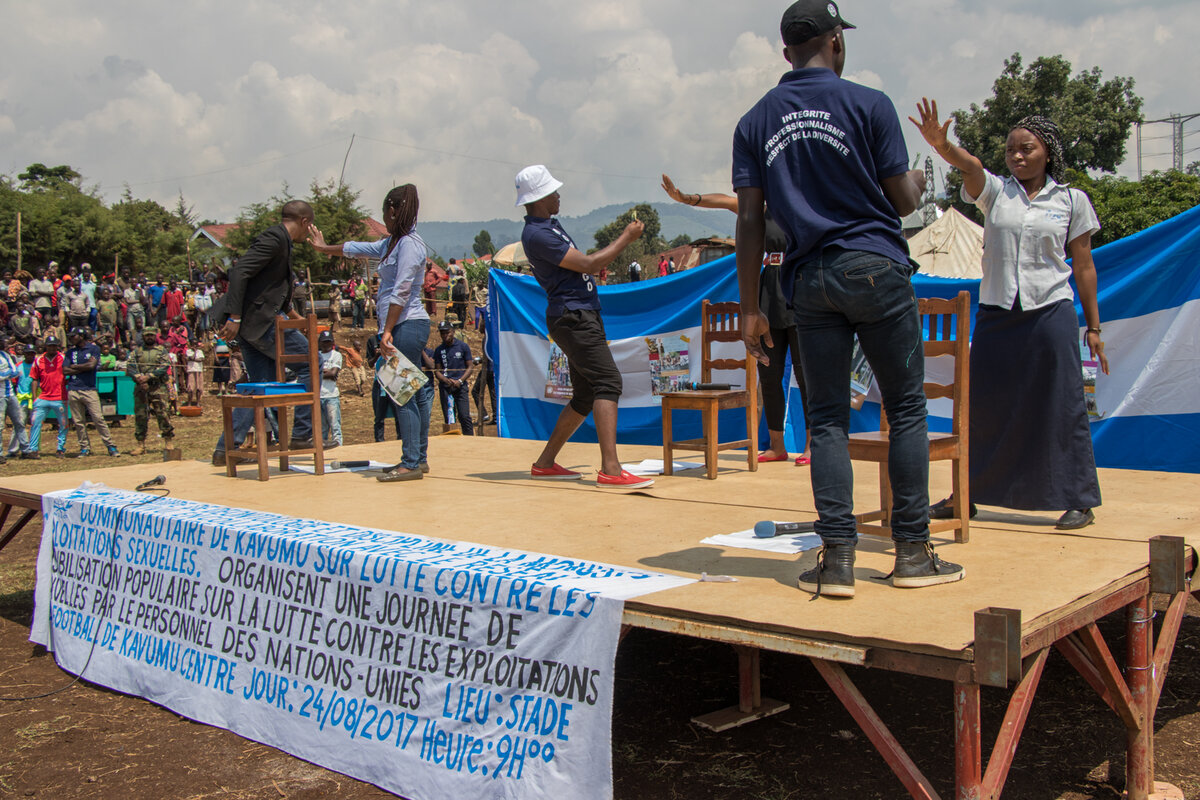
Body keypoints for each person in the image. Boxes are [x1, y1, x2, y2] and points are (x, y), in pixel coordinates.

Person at [732, 0, 963, 598]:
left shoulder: (755, 122)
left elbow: (750, 221)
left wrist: (752, 309)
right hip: (876, 269)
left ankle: (837, 564)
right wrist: (914, 176)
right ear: (836, 42)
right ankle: (911, 554)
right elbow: (904, 201)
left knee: (827, 419)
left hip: (808, 283)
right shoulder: (869, 104)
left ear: (787, 52)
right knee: (907, 410)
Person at [911, 101, 1107, 530]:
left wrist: (1093, 326)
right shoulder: (997, 192)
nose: (1017, 156)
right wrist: (943, 147)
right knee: (983, 406)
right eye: (1012, 150)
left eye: (1027, 148)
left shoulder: (1072, 201)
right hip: (1000, 313)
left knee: (1062, 404)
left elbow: (1084, 266)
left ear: (1048, 153)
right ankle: (967, 494)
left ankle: (1077, 499)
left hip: (1050, 311)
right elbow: (972, 166)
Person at [661, 172, 812, 465]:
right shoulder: (760, 209)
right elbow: (725, 202)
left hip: (798, 288)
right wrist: (686, 198)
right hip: (768, 291)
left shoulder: (801, 206)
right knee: (769, 373)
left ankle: (812, 446)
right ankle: (777, 445)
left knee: (807, 375)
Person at [516, 164, 653, 488]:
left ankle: (546, 462)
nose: (558, 196)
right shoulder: (537, 234)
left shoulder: (548, 226)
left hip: (579, 313)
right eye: (553, 192)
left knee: (586, 393)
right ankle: (611, 469)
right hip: (573, 316)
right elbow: (590, 263)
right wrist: (627, 237)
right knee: (608, 382)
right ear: (538, 198)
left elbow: (581, 265)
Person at [309, 185, 432, 481]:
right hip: (399, 325)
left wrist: (387, 330)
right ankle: (416, 458)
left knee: (403, 394)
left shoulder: (410, 245)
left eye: (384, 213)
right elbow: (357, 248)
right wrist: (325, 248)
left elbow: (402, 289)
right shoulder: (391, 243)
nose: (384, 218)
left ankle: (412, 462)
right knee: (410, 393)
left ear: (393, 211)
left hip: (406, 324)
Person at [210, 200, 317, 465]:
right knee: (314, 363)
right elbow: (239, 272)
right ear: (304, 221)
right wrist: (234, 315)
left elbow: (269, 289)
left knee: (261, 387)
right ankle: (303, 434)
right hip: (262, 323)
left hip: (253, 326)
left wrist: (296, 318)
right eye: (310, 225)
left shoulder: (282, 241)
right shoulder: (275, 238)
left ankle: (226, 449)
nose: (310, 231)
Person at [64, 327, 119, 457]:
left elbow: (91, 366)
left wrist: (75, 367)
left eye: (74, 336)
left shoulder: (93, 349)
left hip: (89, 389)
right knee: (78, 421)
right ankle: (84, 447)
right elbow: (65, 370)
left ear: (81, 336)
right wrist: (83, 368)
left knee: (98, 418)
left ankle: (110, 446)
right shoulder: (70, 352)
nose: (71, 338)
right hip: (73, 389)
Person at [126, 327, 175, 455]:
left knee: (163, 414)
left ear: (155, 336)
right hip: (141, 387)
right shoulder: (137, 352)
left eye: (151, 335)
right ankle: (141, 444)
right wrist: (138, 378)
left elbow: (164, 366)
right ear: (143, 336)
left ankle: (168, 441)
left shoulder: (161, 351)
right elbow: (130, 366)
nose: (149, 337)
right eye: (147, 335)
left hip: (157, 387)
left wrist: (149, 377)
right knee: (141, 415)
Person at [26, 335, 68, 459]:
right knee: (35, 423)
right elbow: (34, 378)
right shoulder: (39, 360)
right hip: (43, 397)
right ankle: (33, 449)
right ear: (46, 346)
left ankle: (60, 448)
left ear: (57, 346)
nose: (52, 348)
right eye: (50, 346)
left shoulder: (63, 358)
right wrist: (34, 398)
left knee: (63, 424)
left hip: (60, 397)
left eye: (54, 345)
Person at [432, 320, 476, 435]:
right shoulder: (439, 350)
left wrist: (460, 381)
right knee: (449, 418)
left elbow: (470, 366)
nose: (445, 335)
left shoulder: (463, 346)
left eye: (447, 332)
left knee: (464, 416)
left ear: (453, 332)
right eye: (442, 333)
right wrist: (445, 380)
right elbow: (437, 371)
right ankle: (451, 442)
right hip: (446, 387)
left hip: (460, 386)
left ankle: (470, 439)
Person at [366, 331, 402, 442]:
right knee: (378, 416)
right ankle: (379, 440)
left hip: (393, 381)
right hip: (379, 383)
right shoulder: (372, 341)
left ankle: (401, 438)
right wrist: (377, 354)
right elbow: (370, 363)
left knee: (398, 413)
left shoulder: (397, 338)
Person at [0, 335, 28, 462]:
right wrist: (7, 374)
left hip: (11, 394)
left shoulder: (6, 356)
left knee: (19, 422)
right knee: (0, 426)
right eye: (5, 343)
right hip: (0, 396)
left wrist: (5, 374)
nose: (7, 346)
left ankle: (25, 450)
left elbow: (16, 371)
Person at [317, 330, 343, 448]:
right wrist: (326, 372)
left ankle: (338, 448)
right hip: (319, 395)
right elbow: (311, 373)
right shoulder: (316, 355)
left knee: (335, 426)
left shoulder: (336, 355)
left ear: (332, 342)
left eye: (328, 342)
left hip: (331, 395)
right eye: (324, 342)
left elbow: (333, 373)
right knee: (322, 428)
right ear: (320, 343)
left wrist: (319, 372)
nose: (326, 344)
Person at [184, 337, 205, 406]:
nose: (195, 346)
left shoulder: (200, 351)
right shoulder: (188, 351)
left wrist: (193, 358)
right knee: (190, 388)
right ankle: (189, 402)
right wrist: (194, 353)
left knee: (199, 388)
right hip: (191, 370)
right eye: (193, 344)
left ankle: (198, 402)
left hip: (198, 370)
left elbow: (201, 359)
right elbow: (191, 358)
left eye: (196, 344)